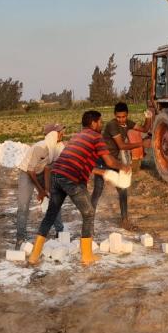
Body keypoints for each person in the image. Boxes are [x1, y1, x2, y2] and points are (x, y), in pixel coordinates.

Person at [28, 110, 130, 266]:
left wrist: (103, 172)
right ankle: (87, 256)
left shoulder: (78, 136)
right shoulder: (96, 137)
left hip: (56, 175)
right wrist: (123, 166)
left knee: (51, 214)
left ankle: (34, 255)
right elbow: (109, 161)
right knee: (89, 212)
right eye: (100, 122)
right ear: (94, 123)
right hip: (70, 178)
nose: (101, 125)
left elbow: (80, 161)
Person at [91, 102, 153, 231]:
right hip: (103, 160)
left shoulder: (127, 123)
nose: (121, 120)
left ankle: (124, 220)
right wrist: (142, 143)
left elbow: (145, 129)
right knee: (98, 190)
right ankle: (88, 221)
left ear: (127, 115)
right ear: (115, 115)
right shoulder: (112, 125)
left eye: (123, 117)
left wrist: (148, 117)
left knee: (122, 190)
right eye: (118, 117)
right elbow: (122, 146)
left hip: (113, 161)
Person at [14, 123, 66, 248]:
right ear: (52, 134)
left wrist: (47, 190)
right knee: (23, 205)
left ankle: (60, 232)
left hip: (41, 172)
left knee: (54, 199)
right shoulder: (40, 147)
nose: (62, 134)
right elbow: (30, 170)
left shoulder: (57, 147)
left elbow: (48, 169)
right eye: (60, 132)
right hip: (27, 173)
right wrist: (40, 190)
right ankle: (21, 238)